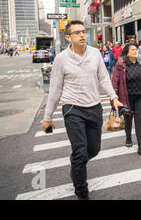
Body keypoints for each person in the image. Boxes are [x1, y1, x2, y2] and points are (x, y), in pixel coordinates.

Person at [41, 20, 123, 200]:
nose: (82, 35)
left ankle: (77, 164)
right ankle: (82, 192)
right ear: (68, 37)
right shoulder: (61, 59)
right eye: (77, 32)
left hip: (94, 107)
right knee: (80, 151)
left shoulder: (95, 54)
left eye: (83, 31)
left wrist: (113, 97)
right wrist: (47, 117)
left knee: (93, 150)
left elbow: (103, 77)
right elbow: (55, 89)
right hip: (72, 109)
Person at [111, 43, 141, 156]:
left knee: (139, 120)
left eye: (136, 49)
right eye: (132, 49)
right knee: (128, 118)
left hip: (140, 95)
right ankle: (128, 137)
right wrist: (114, 98)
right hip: (126, 96)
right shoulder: (121, 63)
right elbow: (115, 81)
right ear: (127, 52)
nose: (135, 51)